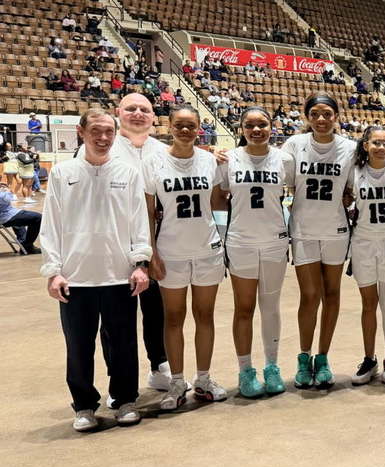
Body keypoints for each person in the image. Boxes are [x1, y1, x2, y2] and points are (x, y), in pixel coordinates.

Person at [39, 108, 152, 432]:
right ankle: (85, 405)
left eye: (108, 132)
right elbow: (51, 226)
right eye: (96, 132)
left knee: (124, 343)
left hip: (119, 276)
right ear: (81, 132)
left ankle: (125, 399)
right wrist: (54, 270)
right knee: (78, 346)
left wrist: (140, 263)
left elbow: (138, 223)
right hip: (76, 278)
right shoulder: (63, 174)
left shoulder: (128, 174)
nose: (102, 138)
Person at [75, 93, 174, 394]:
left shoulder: (164, 151)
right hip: (114, 242)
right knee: (116, 317)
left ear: (154, 116)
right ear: (118, 113)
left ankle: (160, 364)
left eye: (144, 109)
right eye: (130, 109)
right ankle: (117, 378)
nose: (138, 114)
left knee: (158, 308)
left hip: (156, 240)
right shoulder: (100, 146)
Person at [143, 105, 228, 410]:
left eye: (191, 125)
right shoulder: (154, 163)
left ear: (199, 129)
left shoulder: (210, 161)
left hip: (207, 249)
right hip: (171, 252)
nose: (184, 130)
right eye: (179, 125)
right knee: (174, 318)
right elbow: (149, 213)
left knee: (205, 315)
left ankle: (203, 379)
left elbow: (219, 203)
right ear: (169, 126)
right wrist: (150, 252)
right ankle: (177, 382)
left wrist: (225, 239)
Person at [212, 106, 295, 398]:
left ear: (272, 126)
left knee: (271, 307)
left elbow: (296, 191)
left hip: (274, 242)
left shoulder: (285, 159)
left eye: (262, 124)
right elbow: (218, 199)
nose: (257, 129)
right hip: (242, 242)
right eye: (250, 125)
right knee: (244, 309)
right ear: (241, 129)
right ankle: (246, 371)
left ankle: (272, 368)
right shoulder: (228, 159)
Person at [280, 93, 356, 389]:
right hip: (304, 230)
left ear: (336, 116)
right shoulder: (294, 145)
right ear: (307, 117)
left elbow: (354, 186)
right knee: (309, 296)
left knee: (332, 294)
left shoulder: (349, 149)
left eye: (327, 114)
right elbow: (277, 178)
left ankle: (323, 357)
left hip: (336, 230)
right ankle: (303, 357)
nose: (322, 119)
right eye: (315, 114)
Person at [348, 125, 385, 384]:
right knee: (368, 304)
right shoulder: (354, 172)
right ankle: (369, 358)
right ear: (365, 144)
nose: (381, 148)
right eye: (376, 143)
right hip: (363, 243)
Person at [1, 180, 41, 253]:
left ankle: (23, 243)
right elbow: (7, 198)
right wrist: (7, 190)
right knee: (38, 218)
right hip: (4, 217)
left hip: (6, 213)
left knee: (19, 216)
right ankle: (28, 246)